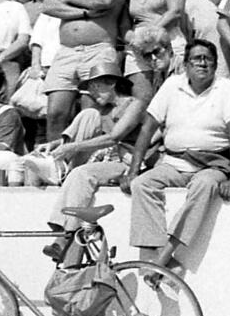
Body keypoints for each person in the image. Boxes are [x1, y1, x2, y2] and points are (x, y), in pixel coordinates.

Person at [119, 40, 230, 271]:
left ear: (216, 65)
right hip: (174, 162)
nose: (202, 63)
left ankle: (163, 257)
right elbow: (147, 127)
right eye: (196, 58)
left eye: (208, 58)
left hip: (212, 165)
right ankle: (165, 261)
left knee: (204, 186)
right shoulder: (172, 85)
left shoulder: (225, 87)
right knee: (142, 184)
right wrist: (133, 172)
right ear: (185, 64)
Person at [21, 56, 145, 229]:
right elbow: (98, 138)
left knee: (81, 173)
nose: (91, 93)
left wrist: (72, 146)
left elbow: (113, 137)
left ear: (112, 83)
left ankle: (68, 230)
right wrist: (56, 144)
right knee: (88, 114)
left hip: (127, 163)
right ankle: (59, 165)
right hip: (105, 160)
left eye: (95, 86)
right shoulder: (103, 112)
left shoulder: (134, 104)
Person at [41, 0, 128, 140]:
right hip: (66, 52)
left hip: (98, 50)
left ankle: (83, 166)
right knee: (55, 114)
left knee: (92, 114)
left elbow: (105, 2)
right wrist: (84, 13)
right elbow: (49, 5)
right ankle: (53, 163)